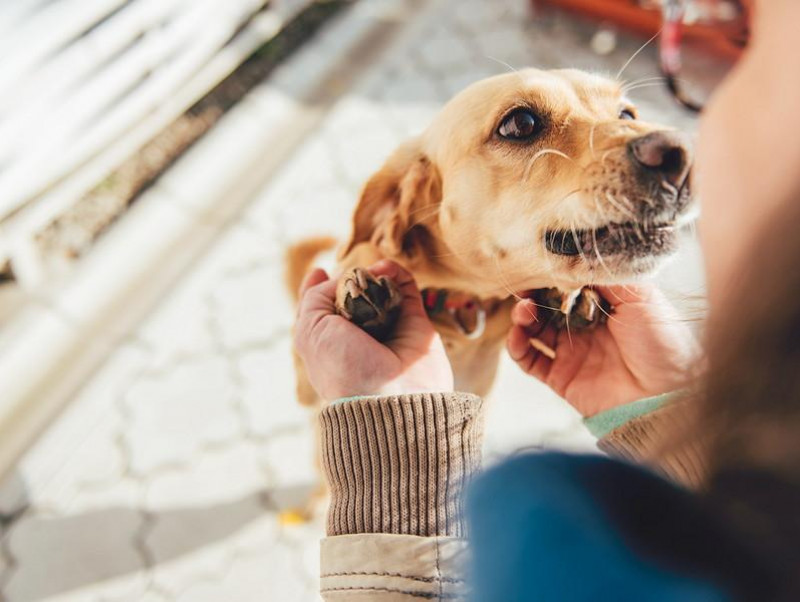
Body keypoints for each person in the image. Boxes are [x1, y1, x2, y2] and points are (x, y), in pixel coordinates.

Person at [293, 1, 800, 599]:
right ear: (407, 203)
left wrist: (394, 477)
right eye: (523, 127)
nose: (660, 144)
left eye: (626, 112)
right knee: (310, 394)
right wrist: (661, 408)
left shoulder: (547, 533)